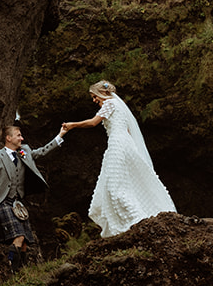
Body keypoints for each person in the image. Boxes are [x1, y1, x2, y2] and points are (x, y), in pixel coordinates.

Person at [61, 80, 176, 238]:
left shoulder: (109, 104)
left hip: (117, 144)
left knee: (116, 186)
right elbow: (128, 130)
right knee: (124, 182)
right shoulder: (120, 105)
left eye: (95, 97)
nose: (94, 100)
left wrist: (73, 125)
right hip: (126, 143)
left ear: (103, 93)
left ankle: (136, 220)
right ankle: (137, 218)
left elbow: (93, 122)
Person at [0, 120, 67, 272]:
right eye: (18, 136)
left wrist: (60, 135)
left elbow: (42, 151)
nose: (22, 138)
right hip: (4, 202)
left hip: (18, 203)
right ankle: (13, 270)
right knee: (19, 237)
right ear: (8, 138)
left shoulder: (24, 151)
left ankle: (21, 272)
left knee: (24, 242)